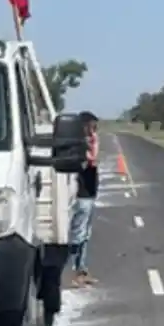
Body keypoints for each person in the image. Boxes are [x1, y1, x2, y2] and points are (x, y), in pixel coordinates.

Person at [69, 111, 100, 286]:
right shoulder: (79, 146)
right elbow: (92, 161)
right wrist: (93, 144)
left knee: (85, 235)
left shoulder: (83, 144)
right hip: (81, 194)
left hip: (89, 193)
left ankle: (82, 269)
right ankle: (74, 272)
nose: (94, 131)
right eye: (92, 127)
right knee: (78, 235)